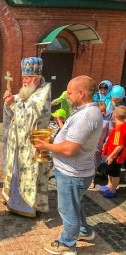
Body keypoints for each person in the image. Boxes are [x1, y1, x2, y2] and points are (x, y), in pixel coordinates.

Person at [34, 75, 103, 255]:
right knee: (75, 204)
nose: (67, 96)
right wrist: (54, 139)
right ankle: (84, 232)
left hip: (73, 173)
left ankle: (67, 244)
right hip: (76, 170)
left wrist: (46, 146)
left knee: (67, 209)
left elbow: (70, 149)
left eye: (70, 93)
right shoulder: (84, 110)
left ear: (81, 93)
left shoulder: (86, 115)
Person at [2, 57, 51, 217]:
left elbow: (30, 117)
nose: (23, 81)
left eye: (27, 78)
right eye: (23, 78)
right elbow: (17, 104)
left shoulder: (42, 94)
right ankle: (13, 200)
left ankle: (26, 206)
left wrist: (12, 104)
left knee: (29, 173)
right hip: (18, 142)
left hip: (32, 143)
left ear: (36, 79)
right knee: (17, 170)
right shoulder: (28, 91)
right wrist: (9, 101)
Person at [99, 105, 126, 198]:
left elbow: (119, 145)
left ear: (114, 116)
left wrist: (111, 156)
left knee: (114, 173)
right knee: (111, 171)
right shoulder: (121, 126)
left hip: (116, 156)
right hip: (114, 154)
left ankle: (112, 190)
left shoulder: (119, 129)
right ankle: (109, 185)